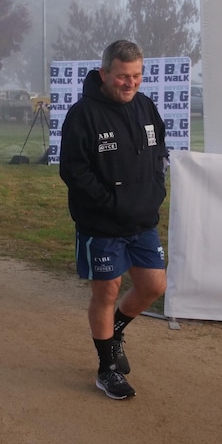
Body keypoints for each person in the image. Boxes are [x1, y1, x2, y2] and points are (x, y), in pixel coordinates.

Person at [59, 39, 168, 400]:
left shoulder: (146, 108)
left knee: (154, 285)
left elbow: (158, 157)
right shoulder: (83, 114)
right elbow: (74, 171)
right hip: (101, 224)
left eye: (136, 76)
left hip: (142, 222)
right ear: (105, 73)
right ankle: (106, 369)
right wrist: (110, 202)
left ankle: (115, 330)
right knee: (107, 291)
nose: (130, 83)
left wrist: (155, 193)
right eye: (123, 76)